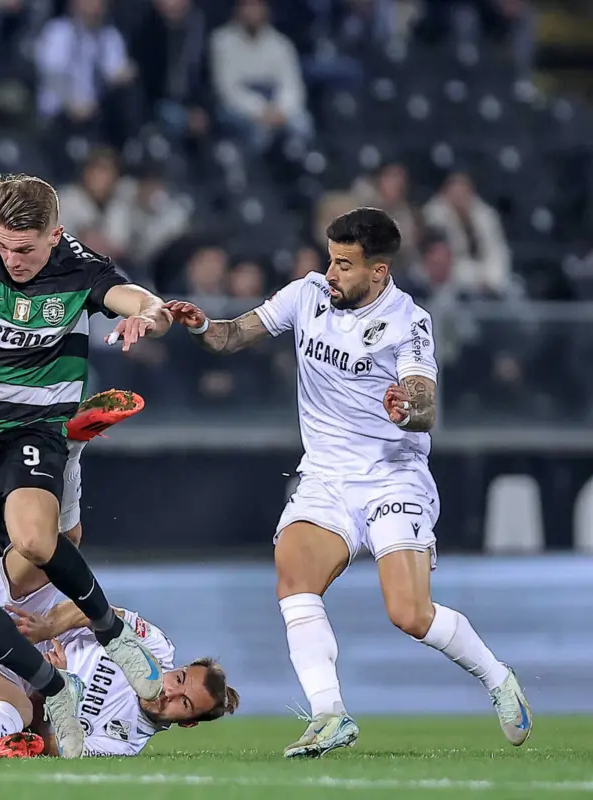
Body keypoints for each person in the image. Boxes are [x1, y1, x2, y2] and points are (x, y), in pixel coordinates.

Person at [163, 207, 532, 758]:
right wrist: (199, 326)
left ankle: (497, 677)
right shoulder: (306, 295)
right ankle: (330, 715)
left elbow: (425, 404)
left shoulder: (409, 322)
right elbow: (233, 335)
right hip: (326, 477)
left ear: (378, 271)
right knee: (294, 579)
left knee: (409, 614)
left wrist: (406, 408)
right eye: (330, 260)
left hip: (391, 477)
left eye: (344, 265)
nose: (330, 274)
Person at [0, 174, 173, 759]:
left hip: (31, 429)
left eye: (24, 248)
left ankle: (113, 634)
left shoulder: (80, 268)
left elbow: (142, 301)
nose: (12, 258)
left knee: (34, 537)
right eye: (4, 244)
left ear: (55, 234)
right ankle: (54, 688)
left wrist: (149, 316)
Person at [0, 390, 240, 759]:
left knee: (13, 714)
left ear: (188, 723)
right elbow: (100, 614)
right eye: (178, 680)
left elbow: (46, 745)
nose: (169, 693)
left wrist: (53, 688)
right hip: (22, 616)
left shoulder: (124, 743)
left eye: (184, 703)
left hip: (0, 672)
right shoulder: (156, 650)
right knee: (61, 544)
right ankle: (69, 446)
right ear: (178, 668)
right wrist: (49, 626)